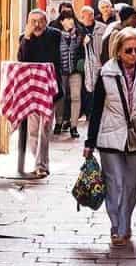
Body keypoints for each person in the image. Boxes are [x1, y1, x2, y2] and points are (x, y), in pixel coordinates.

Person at [84, 27, 136, 247]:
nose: (133, 54)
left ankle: (125, 220)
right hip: (110, 134)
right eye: (128, 50)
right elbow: (96, 109)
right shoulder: (106, 73)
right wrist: (89, 142)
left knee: (132, 184)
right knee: (115, 183)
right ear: (118, 51)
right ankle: (117, 226)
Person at [16, 9, 62, 178]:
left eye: (40, 21)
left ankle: (41, 165)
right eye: (32, 21)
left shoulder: (55, 35)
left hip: (49, 89)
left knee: (45, 129)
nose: (36, 25)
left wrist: (34, 38)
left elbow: (49, 56)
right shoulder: (24, 38)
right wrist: (27, 39)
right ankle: (39, 164)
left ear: (46, 21)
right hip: (31, 90)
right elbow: (22, 60)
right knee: (33, 131)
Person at [54, 11, 85, 138]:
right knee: (61, 97)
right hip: (61, 70)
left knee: (76, 97)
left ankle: (74, 126)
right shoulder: (56, 35)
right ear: (61, 21)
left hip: (75, 70)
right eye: (67, 19)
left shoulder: (79, 33)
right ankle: (59, 122)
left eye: (71, 19)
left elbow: (83, 50)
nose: (70, 21)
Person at [79, 5, 101, 122]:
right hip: (82, 64)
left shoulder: (101, 27)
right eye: (87, 15)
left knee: (94, 89)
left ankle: (91, 113)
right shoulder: (78, 28)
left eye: (91, 14)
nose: (90, 17)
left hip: (96, 63)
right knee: (84, 89)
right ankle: (85, 112)